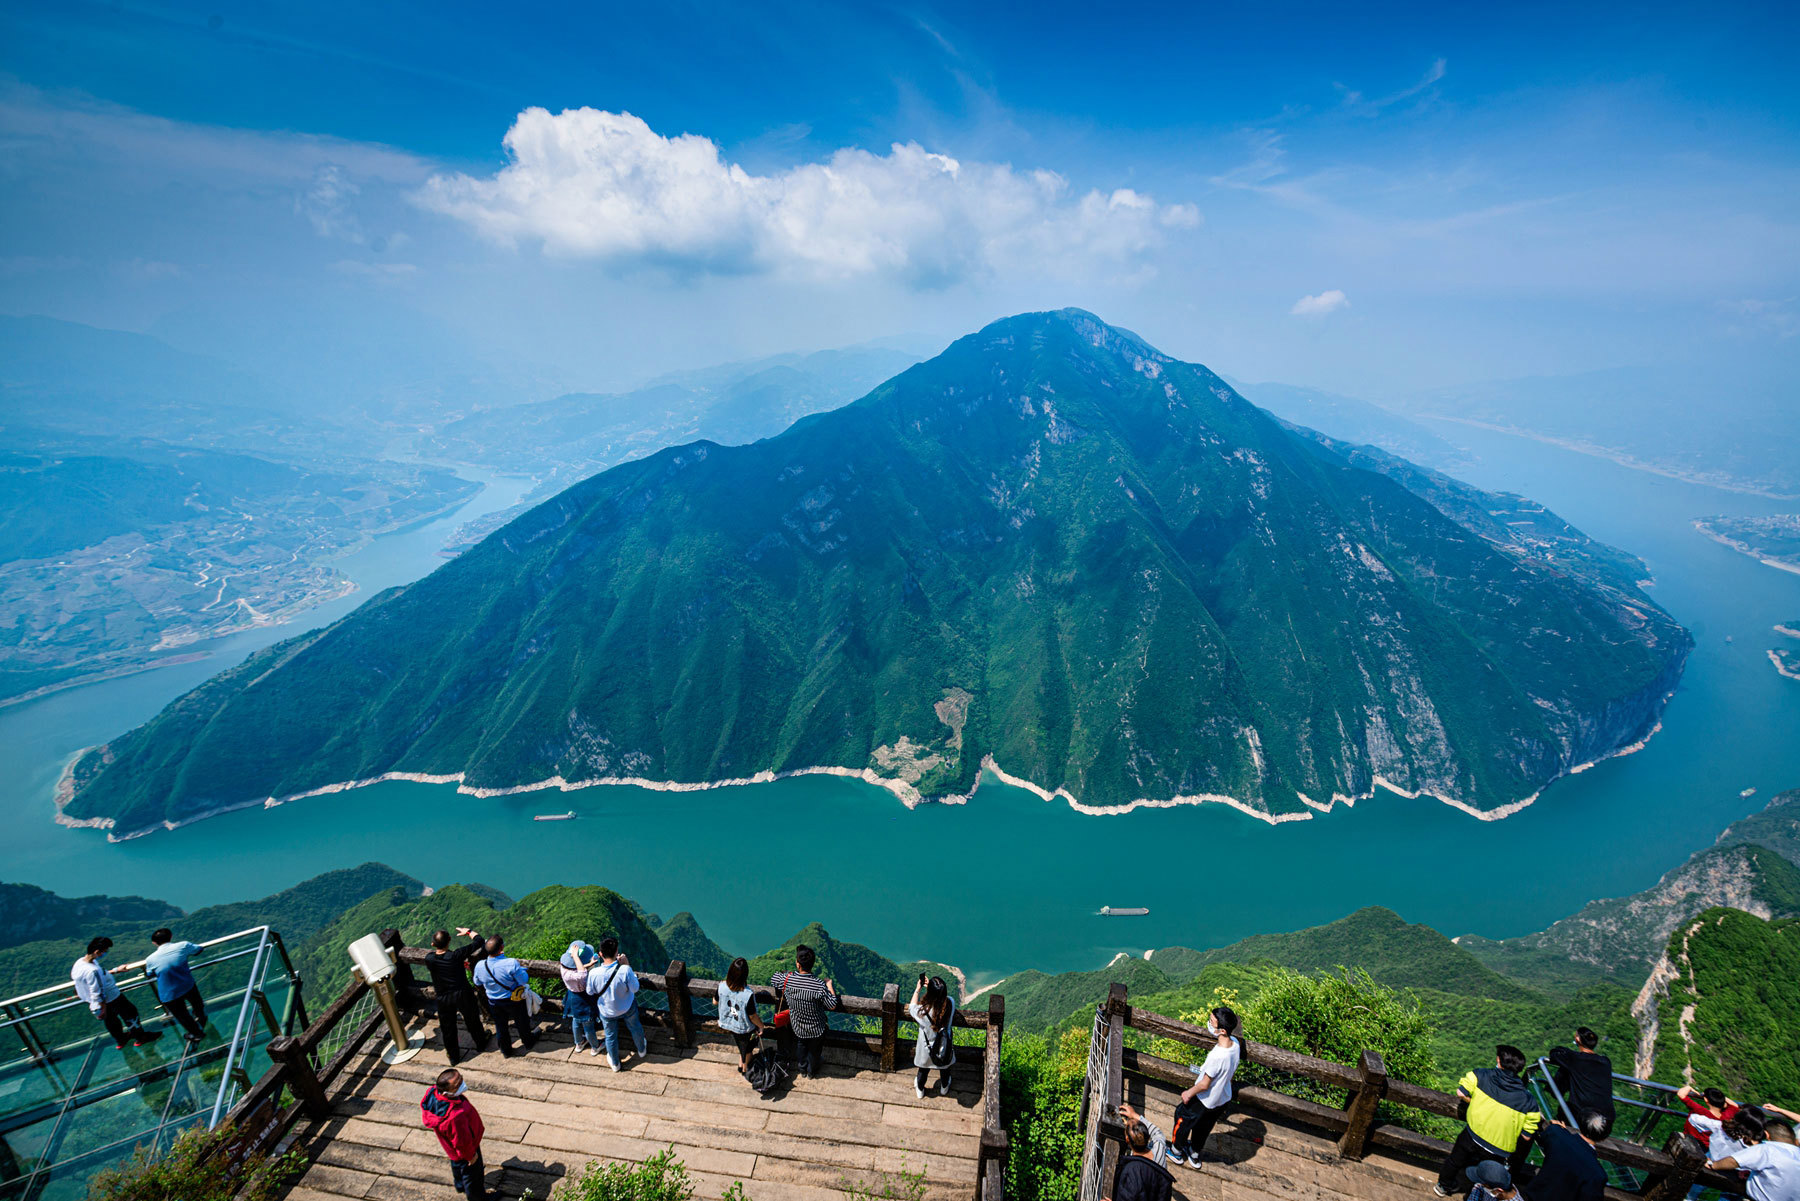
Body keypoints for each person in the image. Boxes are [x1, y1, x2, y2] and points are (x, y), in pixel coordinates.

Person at [1434, 1046, 1541, 1197]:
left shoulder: (1480, 1075)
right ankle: (1474, 1195)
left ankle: (1443, 1186)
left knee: (1455, 1160)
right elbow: (1527, 1135)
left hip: (1473, 1134)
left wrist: (1474, 1101)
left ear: (1499, 1061)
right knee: (1485, 1176)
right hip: (1499, 1148)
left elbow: (1460, 1092)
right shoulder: (1529, 1101)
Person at [1166, 1005, 1240, 1169]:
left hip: (1203, 1099)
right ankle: (1194, 1153)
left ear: (1222, 1031)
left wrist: (1188, 1093)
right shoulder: (1235, 1045)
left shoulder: (1217, 1056)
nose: (1209, 1023)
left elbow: (1204, 1084)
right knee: (1204, 1127)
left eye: (1212, 1022)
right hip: (1222, 1098)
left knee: (1182, 1118)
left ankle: (1176, 1151)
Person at [71, 938, 161, 1049]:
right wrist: (102, 1007)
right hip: (111, 997)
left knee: (111, 1020)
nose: (105, 953)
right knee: (130, 1013)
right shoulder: (92, 970)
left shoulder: (80, 963)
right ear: (96, 952)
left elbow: (98, 976)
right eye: (104, 951)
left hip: (99, 1000)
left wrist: (115, 970)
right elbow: (97, 991)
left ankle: (121, 1040)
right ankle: (140, 1037)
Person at [769, 945, 839, 1079]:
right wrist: (829, 985)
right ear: (812, 965)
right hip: (816, 1027)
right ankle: (811, 1071)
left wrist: (787, 974)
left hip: (798, 1026)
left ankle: (802, 1068)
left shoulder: (788, 980)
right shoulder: (819, 985)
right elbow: (832, 1005)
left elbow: (774, 978)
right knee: (814, 1050)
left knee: (801, 1045)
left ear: (798, 964)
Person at [424, 927, 490, 1066]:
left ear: (433, 944)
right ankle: (481, 1043)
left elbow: (437, 961)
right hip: (462, 993)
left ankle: (454, 1056)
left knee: (448, 1027)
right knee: (472, 1019)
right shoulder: (456, 955)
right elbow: (478, 941)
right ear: (449, 940)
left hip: (443, 997)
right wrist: (468, 931)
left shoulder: (430, 959)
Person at [421, 1067, 486, 1200]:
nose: (462, 1083)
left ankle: (459, 1184)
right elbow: (462, 1141)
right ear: (446, 1093)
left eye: (461, 1078)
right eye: (457, 1084)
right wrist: (471, 1156)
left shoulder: (433, 1093)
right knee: (473, 1176)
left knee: (457, 1165)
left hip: (452, 1150)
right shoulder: (455, 1116)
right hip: (467, 1150)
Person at [471, 935, 536, 1057]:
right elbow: (523, 980)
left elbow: (477, 982)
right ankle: (528, 1042)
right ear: (502, 947)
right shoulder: (511, 963)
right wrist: (521, 970)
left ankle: (505, 1050)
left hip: (494, 1001)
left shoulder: (480, 965)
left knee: (500, 1026)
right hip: (513, 1000)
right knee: (522, 1022)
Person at [588, 937, 646, 1072]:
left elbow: (590, 992)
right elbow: (634, 988)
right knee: (635, 1027)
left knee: (610, 1036)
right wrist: (627, 964)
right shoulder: (625, 970)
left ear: (601, 954)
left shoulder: (593, 973)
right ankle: (642, 1050)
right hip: (627, 1007)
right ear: (617, 952)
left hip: (607, 1011)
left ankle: (615, 1064)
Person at [1523, 1111, 1611, 1201]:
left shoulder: (1556, 1133)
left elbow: (1552, 1131)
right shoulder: (1598, 1174)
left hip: (1535, 1195)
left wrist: (1561, 1130)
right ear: (1603, 1138)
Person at [1707, 1120, 1800, 1201]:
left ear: (1767, 1135)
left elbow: (1734, 1161)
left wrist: (1713, 1164)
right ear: (1795, 1140)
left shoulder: (1768, 1149)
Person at [143, 928, 207, 1043]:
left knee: (182, 1016)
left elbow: (149, 974)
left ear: (154, 943)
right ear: (170, 937)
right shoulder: (183, 945)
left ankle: (196, 1034)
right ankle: (201, 1017)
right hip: (187, 985)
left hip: (169, 993)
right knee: (197, 1003)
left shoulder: (150, 959)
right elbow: (198, 949)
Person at [1547, 1029, 1615, 1129]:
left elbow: (1554, 1054)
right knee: (1569, 1069)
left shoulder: (1574, 1059)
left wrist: (1567, 1051)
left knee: (1565, 1069)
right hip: (1607, 1119)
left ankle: (1555, 1092)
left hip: (1583, 1116)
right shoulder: (1606, 1062)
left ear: (1577, 1039)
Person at [1105, 1104, 1175, 1201]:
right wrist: (1135, 1115)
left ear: (1127, 1140)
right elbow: (1158, 1133)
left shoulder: (1131, 1170)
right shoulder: (1158, 1150)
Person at [908, 974, 957, 1098]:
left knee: (923, 1070)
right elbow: (940, 1002)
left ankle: (920, 1090)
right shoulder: (950, 1003)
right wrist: (934, 988)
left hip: (926, 1049)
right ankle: (944, 1088)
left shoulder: (922, 1012)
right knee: (945, 1069)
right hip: (944, 1046)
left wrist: (918, 989)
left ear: (930, 993)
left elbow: (911, 1007)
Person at [717, 957, 766, 1076]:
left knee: (742, 1044)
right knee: (748, 1047)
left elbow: (715, 1001)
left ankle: (741, 1064)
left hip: (729, 1023)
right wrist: (761, 1026)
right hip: (744, 1027)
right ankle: (745, 1068)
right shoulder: (747, 995)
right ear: (745, 975)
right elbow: (752, 1016)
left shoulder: (722, 986)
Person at [560, 941, 601, 1057]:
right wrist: (576, 956)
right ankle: (595, 1046)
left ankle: (579, 1043)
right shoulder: (578, 976)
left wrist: (589, 963)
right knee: (588, 1024)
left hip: (572, 997)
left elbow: (577, 969)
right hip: (583, 999)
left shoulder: (564, 969)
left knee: (576, 1021)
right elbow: (582, 974)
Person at [1680, 1085, 1741, 1150]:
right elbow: (1735, 1106)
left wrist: (1689, 1087)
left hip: (1686, 1141)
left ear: (1706, 1100)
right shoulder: (1726, 1116)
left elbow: (1681, 1094)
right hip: (1706, 1148)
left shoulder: (1699, 1110)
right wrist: (1720, 1098)